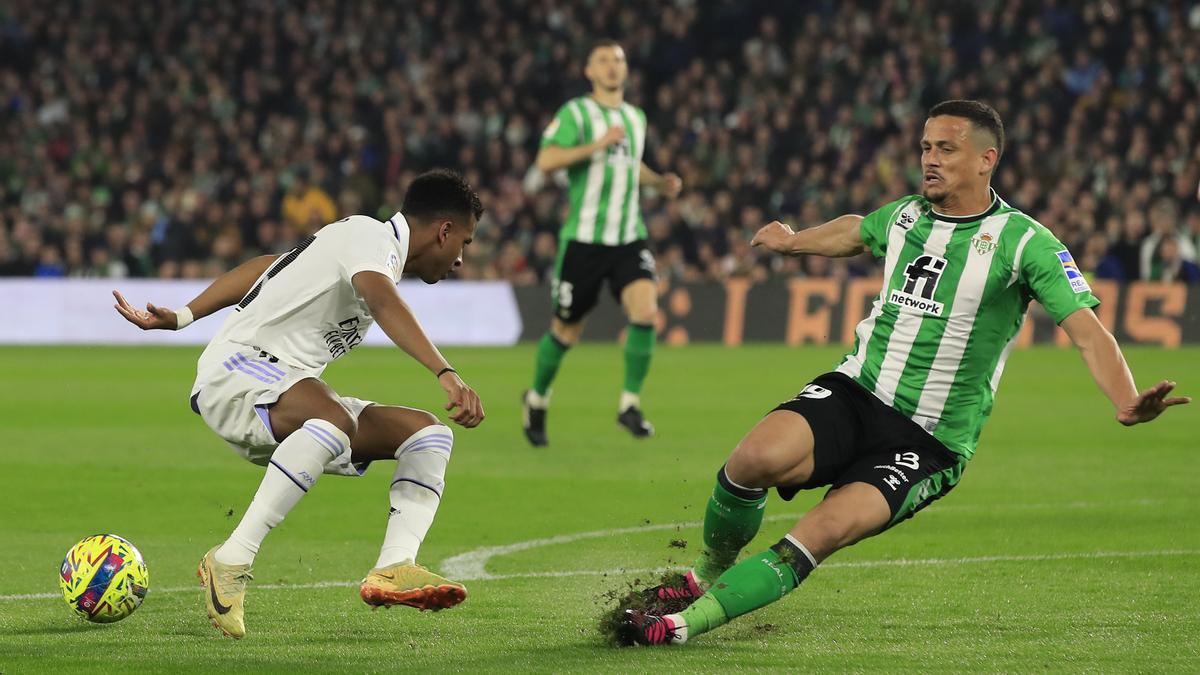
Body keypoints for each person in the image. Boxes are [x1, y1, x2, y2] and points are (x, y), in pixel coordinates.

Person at [616, 101, 1190, 646]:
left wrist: (1126, 397)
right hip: (858, 390)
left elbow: (1087, 330)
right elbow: (857, 229)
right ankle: (702, 576)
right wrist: (795, 244)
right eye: (925, 147)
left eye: (946, 148)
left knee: (821, 531)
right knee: (751, 461)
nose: (930, 159)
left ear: (987, 159)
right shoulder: (909, 214)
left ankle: (684, 626)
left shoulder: (1024, 242)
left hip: (928, 441)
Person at [114, 170, 486, 639]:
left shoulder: (359, 248)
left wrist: (187, 313)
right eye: (465, 243)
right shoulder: (370, 237)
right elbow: (383, 300)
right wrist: (445, 372)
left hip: (284, 388)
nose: (460, 258)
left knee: (428, 435)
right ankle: (231, 560)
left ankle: (394, 566)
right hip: (237, 370)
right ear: (444, 230)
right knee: (329, 416)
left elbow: (269, 267)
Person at [522, 39, 683, 447]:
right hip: (584, 242)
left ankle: (629, 404)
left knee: (646, 311)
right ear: (588, 71)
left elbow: (631, 165)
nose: (612, 67)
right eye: (603, 61)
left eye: (618, 61)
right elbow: (546, 161)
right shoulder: (576, 113)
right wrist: (595, 145)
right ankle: (537, 399)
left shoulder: (636, 117)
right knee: (565, 331)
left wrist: (658, 182)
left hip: (629, 237)